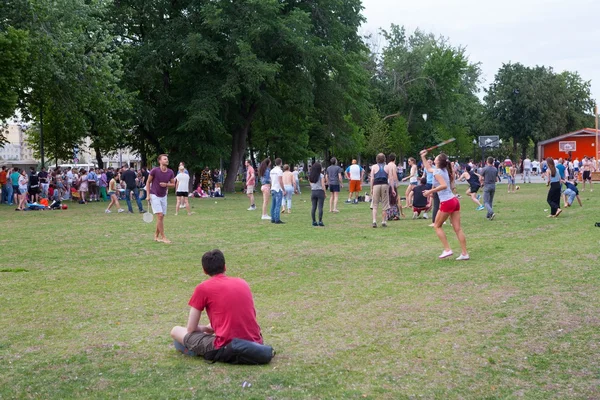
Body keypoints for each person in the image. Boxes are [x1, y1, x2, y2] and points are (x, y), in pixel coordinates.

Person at [170, 249, 264, 357]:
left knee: (176, 331)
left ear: (204, 270)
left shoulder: (203, 288)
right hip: (256, 343)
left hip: (226, 347)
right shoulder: (242, 282)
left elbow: (191, 328)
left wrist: (205, 329)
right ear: (225, 267)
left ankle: (195, 350)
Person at [420, 150, 469, 260]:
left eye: (436, 157)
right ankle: (465, 253)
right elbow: (428, 169)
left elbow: (443, 186)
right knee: (457, 229)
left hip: (447, 201)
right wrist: (423, 157)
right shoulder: (442, 170)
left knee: (437, 226)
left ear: (438, 161)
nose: (434, 158)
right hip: (454, 200)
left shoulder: (438, 172)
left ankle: (447, 249)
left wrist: (429, 192)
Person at [146, 154, 176, 243]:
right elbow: (148, 182)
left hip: (163, 196)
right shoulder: (154, 171)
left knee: (161, 218)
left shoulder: (170, 172)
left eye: (167, 159)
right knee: (160, 215)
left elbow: (173, 184)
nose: (167, 160)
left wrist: (166, 185)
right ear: (160, 161)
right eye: (165, 159)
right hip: (154, 194)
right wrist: (148, 195)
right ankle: (163, 237)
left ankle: (156, 236)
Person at [369, 153, 394, 228]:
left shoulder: (374, 167)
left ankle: (374, 221)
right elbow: (391, 178)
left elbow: (372, 178)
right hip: (385, 185)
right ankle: (383, 221)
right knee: (385, 204)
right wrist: (392, 188)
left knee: (375, 204)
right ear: (384, 159)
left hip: (376, 185)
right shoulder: (387, 167)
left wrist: (371, 188)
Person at [269, 158, 286, 224]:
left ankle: (272, 218)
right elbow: (280, 181)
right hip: (278, 189)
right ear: (280, 163)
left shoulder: (272, 170)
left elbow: (271, 180)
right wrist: (283, 189)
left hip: (273, 188)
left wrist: (271, 187)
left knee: (273, 204)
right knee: (278, 205)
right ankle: (277, 219)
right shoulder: (279, 171)